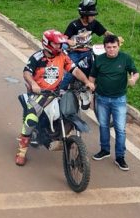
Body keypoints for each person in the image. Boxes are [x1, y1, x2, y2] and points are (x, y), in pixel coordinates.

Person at [15, 29, 95, 166]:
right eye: (56, 44)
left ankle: (65, 136)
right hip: (40, 93)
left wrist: (87, 82)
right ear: (47, 43)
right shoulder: (37, 57)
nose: (59, 46)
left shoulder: (63, 56)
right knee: (31, 118)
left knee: (72, 109)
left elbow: (74, 70)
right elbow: (26, 73)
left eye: (60, 44)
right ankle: (21, 152)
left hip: (58, 92)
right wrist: (33, 84)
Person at [88, 35, 139, 171]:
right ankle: (104, 150)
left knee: (120, 129)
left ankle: (120, 157)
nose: (111, 50)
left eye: (114, 47)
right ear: (104, 48)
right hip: (101, 99)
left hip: (119, 100)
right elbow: (92, 77)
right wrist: (91, 91)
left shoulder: (125, 58)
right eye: (108, 47)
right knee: (103, 125)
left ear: (118, 46)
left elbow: (135, 72)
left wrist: (133, 79)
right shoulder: (99, 60)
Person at [60, 0, 118, 92]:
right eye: (91, 15)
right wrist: (69, 41)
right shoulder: (74, 25)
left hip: (88, 51)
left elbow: (105, 32)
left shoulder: (94, 23)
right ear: (84, 15)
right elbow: (63, 38)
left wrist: (115, 38)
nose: (93, 17)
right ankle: (60, 90)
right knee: (71, 70)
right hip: (75, 53)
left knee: (99, 66)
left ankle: (97, 86)